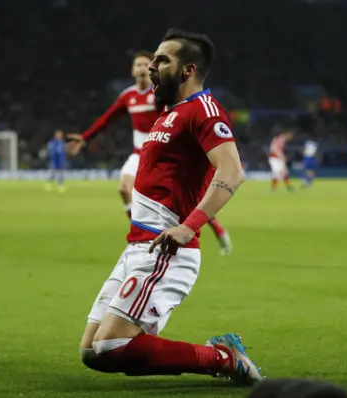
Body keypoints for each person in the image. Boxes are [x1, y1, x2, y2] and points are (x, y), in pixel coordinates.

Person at [78, 28, 263, 385]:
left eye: (162, 60)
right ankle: (218, 357)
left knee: (111, 346)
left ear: (188, 69)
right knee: (92, 352)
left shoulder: (203, 110)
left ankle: (222, 358)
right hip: (137, 248)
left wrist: (189, 225)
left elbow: (232, 171)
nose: (151, 67)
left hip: (167, 250)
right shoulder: (168, 112)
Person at [67, 51, 232, 256]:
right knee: (123, 188)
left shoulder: (160, 95)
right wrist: (85, 138)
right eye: (138, 65)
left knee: (185, 202)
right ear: (132, 70)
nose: (143, 68)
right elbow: (107, 118)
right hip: (139, 154)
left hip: (164, 154)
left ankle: (218, 230)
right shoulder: (128, 96)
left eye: (147, 64)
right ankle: (140, 237)